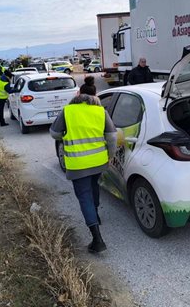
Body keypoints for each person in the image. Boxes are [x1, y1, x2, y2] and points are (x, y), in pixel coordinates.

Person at [50, 76, 117, 253]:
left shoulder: (68, 111)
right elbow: (112, 137)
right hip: (98, 161)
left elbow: (54, 134)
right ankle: (96, 216)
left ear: (78, 94)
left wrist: (67, 133)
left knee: (84, 195)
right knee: (94, 186)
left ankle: (97, 239)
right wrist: (110, 156)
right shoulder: (100, 111)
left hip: (78, 163)